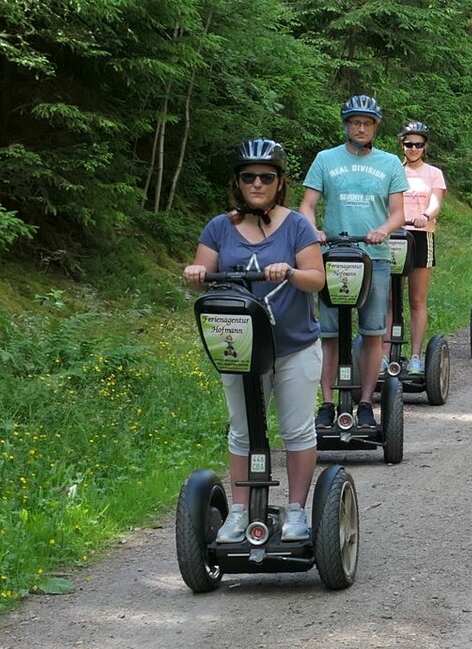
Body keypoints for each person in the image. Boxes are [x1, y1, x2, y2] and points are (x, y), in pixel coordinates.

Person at [182, 139, 327, 544]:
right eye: (249, 177)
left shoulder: (297, 225)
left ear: (280, 182)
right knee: (242, 431)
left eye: (266, 177)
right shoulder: (219, 227)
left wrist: (292, 273)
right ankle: (240, 511)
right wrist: (195, 273)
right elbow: (202, 271)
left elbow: (318, 278)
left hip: (293, 345)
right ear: (238, 182)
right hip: (240, 348)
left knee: (297, 430)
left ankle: (297, 510)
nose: (257, 183)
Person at [299, 95, 407, 428]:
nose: (361, 128)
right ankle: (328, 404)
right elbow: (306, 204)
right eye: (355, 122)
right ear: (346, 124)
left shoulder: (389, 163)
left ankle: (364, 404)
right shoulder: (325, 159)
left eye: (367, 123)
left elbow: (398, 213)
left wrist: (383, 230)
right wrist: (312, 229)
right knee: (329, 335)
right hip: (332, 256)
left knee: (373, 332)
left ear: (375, 127)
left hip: (373, 256)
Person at [397, 120, 447, 375]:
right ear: (402, 145)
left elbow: (436, 202)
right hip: (395, 237)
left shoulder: (433, 173)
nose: (413, 148)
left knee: (416, 299)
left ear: (425, 146)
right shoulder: (394, 169)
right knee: (390, 299)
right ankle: (386, 354)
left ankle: (416, 356)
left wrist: (426, 215)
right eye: (409, 144)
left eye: (418, 144)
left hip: (421, 236)